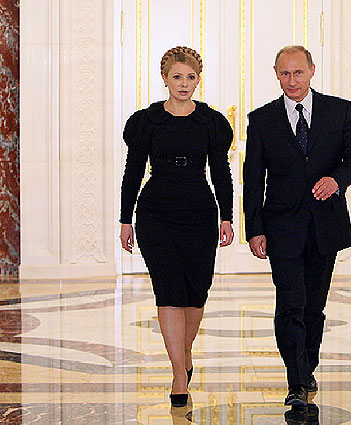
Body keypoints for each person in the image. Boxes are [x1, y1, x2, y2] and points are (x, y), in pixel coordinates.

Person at [243, 45, 351, 407]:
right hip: (281, 227)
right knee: (290, 304)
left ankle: (307, 366)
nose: (292, 80)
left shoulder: (339, 110)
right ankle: (296, 381)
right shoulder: (262, 119)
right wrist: (255, 228)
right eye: (285, 73)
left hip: (325, 225)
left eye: (298, 72)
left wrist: (337, 179)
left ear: (312, 71)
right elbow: (253, 179)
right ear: (276, 74)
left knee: (314, 306)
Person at [119, 46, 234, 407]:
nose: (184, 83)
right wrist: (125, 220)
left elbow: (221, 172)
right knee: (168, 290)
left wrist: (227, 216)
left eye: (191, 77)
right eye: (177, 77)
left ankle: (184, 353)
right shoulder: (146, 122)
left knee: (196, 291)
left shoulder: (212, 122)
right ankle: (178, 374)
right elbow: (133, 172)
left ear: (198, 79)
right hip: (155, 214)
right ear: (165, 78)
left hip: (200, 213)